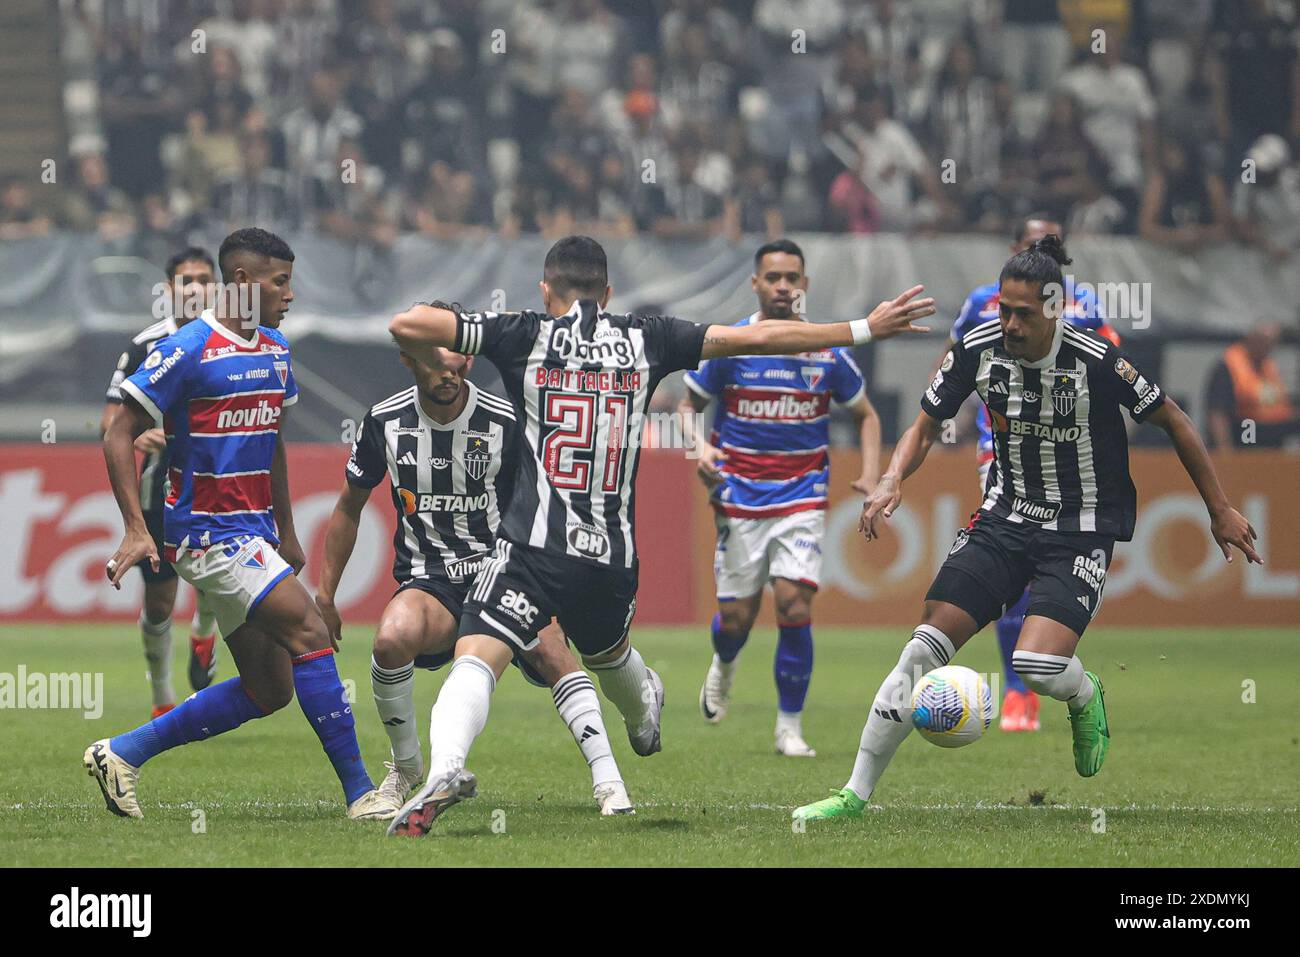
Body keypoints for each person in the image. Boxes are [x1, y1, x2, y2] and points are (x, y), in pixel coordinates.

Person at [383, 234, 935, 836]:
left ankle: (449, 766)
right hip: (612, 559)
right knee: (608, 655)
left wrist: (467, 330)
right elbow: (757, 338)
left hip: (534, 547)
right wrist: (861, 328)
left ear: (547, 292)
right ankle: (640, 710)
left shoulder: (523, 334)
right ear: (609, 291)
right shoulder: (650, 337)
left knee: (477, 652)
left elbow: (406, 324)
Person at [793, 235, 1260, 822]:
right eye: (1003, 310)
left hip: (1080, 527)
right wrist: (891, 477)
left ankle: (1084, 693)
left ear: (1053, 308)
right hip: (1004, 518)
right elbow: (925, 425)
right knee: (920, 650)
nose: (1008, 323)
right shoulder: (976, 347)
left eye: (1021, 313)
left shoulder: (1098, 359)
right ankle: (853, 796)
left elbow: (1175, 419)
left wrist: (1219, 509)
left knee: (1037, 668)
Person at [86, 227, 386, 821]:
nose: (291, 294)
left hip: (253, 535)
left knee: (269, 688)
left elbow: (272, 439)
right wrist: (134, 526)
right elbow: (117, 429)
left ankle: (121, 754)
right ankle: (363, 795)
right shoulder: (187, 348)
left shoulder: (275, 347)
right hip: (206, 535)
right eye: (281, 282)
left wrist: (289, 533)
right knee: (311, 632)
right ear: (245, 283)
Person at [315, 346, 633, 816]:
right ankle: (406, 770)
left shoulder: (506, 421)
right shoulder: (384, 421)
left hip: (505, 572)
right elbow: (348, 507)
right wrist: (325, 594)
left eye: (457, 361)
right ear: (410, 361)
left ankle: (609, 782)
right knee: (389, 640)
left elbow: (549, 506)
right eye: (434, 362)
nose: (448, 372)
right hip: (431, 581)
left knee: (551, 649)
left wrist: (557, 586)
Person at [680, 239, 882, 756]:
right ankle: (724, 663)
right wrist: (699, 447)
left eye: (792, 277)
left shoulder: (827, 351)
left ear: (805, 284)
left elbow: (867, 415)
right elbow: (686, 407)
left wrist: (873, 473)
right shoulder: (732, 344)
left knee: (794, 606)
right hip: (739, 498)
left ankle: (789, 727)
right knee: (737, 621)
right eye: (773, 277)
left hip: (802, 497)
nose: (783, 286)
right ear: (756, 284)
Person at [945, 215, 1119, 732]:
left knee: (1049, 570)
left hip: (1067, 455)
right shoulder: (982, 303)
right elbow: (952, 362)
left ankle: (1052, 671)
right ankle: (1019, 691)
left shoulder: (1081, 303)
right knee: (1012, 568)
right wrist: (941, 418)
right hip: (1000, 451)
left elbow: (1114, 360)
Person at [102, 248, 223, 717]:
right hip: (160, 492)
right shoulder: (144, 346)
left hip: (217, 484)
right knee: (159, 602)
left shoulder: (232, 341)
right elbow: (110, 422)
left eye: (203, 279)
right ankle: (161, 699)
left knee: (220, 581)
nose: (194, 287)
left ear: (217, 287)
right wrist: (139, 432)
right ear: (168, 290)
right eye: (184, 279)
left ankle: (204, 630)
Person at [1205, 324, 1298, 449]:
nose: (1267, 347)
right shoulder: (1228, 366)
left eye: (1271, 343)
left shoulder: (1267, 365)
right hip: (1246, 430)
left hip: (1273, 430)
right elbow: (1217, 414)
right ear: (1251, 339)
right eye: (1263, 341)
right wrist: (1225, 453)